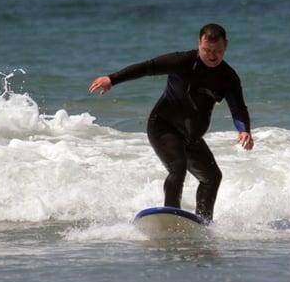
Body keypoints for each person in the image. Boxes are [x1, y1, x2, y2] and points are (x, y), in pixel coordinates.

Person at [89, 23, 253, 222]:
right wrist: (112, 79)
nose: (212, 56)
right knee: (178, 167)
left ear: (225, 46)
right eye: (207, 50)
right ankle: (170, 217)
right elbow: (147, 67)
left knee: (212, 177)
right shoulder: (183, 61)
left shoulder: (228, 77)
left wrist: (244, 130)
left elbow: (238, 107)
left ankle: (203, 223)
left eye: (217, 51)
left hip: (191, 137)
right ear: (199, 44)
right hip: (163, 127)